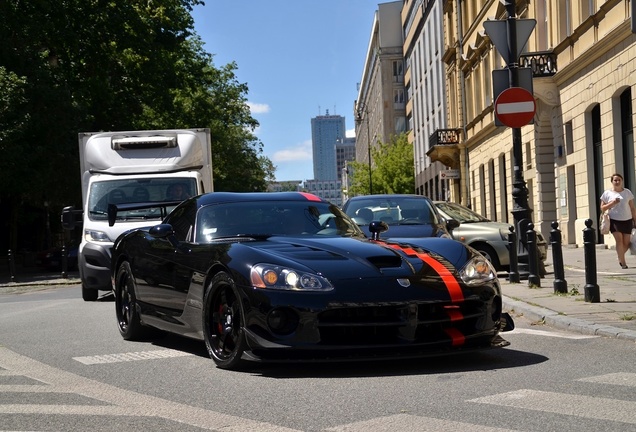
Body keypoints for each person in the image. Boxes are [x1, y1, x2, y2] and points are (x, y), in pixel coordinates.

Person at [600, 173, 636, 269]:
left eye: (619, 180)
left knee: (627, 243)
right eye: (615, 180)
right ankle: (623, 263)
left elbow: (632, 207)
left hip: (627, 220)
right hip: (615, 220)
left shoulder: (627, 192)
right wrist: (613, 203)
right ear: (612, 182)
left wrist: (635, 219)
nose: (617, 182)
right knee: (619, 240)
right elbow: (602, 208)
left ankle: (619, 256)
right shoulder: (607, 193)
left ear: (622, 181)